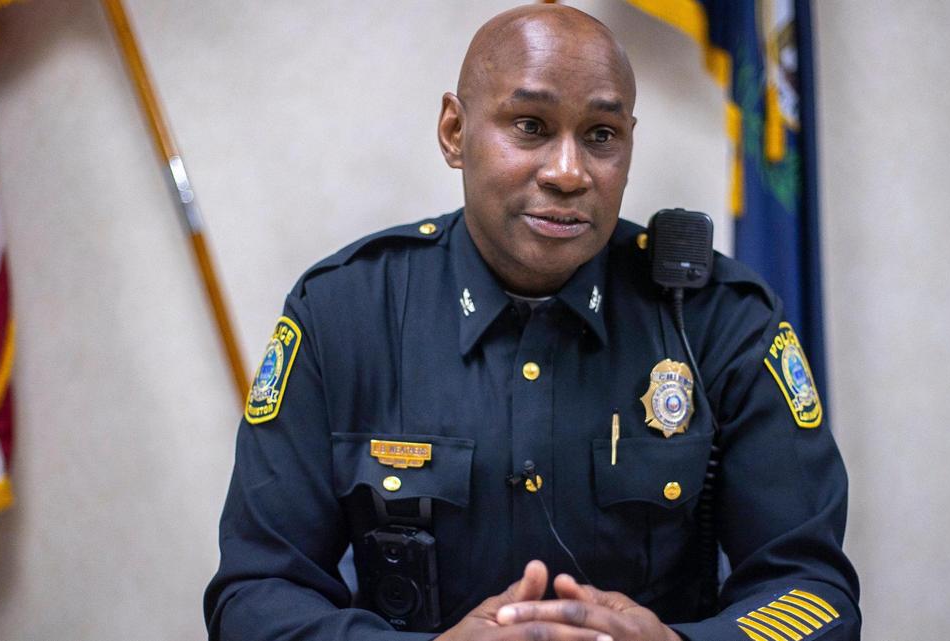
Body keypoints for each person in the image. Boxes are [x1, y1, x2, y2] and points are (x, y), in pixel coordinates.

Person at [204, 4, 860, 641]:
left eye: (601, 136)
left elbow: (813, 594)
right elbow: (255, 596)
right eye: (530, 126)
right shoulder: (344, 314)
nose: (569, 172)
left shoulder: (721, 319)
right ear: (455, 133)